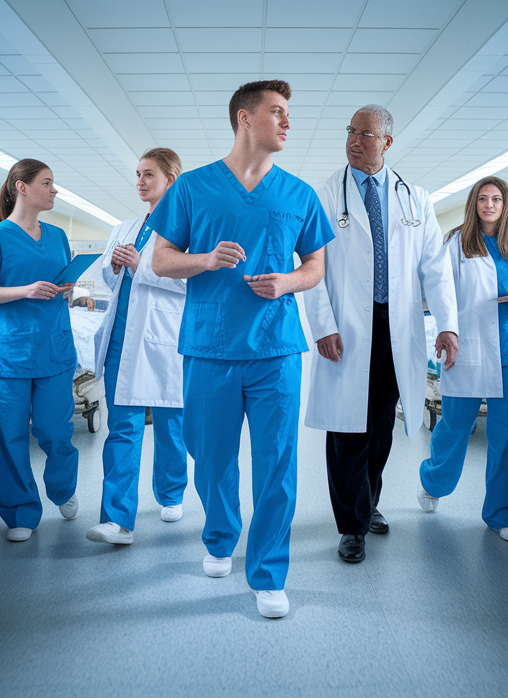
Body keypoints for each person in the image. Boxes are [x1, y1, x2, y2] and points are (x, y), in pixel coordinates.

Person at [150, 79, 333, 619]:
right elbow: (161, 260)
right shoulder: (192, 188)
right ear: (243, 118)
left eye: (288, 114)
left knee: (277, 463)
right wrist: (205, 260)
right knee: (209, 457)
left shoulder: (299, 194)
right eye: (277, 112)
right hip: (209, 346)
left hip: (276, 349)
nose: (287, 122)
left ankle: (270, 573)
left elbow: (316, 268)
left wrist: (287, 283)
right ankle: (220, 532)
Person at [304, 104, 458, 565]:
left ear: (386, 142)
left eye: (365, 133)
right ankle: (352, 526)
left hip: (398, 324)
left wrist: (447, 323)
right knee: (347, 427)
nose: (354, 139)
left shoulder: (415, 197)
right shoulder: (326, 195)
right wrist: (323, 325)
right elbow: (311, 267)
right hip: (348, 323)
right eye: (350, 130)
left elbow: (435, 267)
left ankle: (368, 501)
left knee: (382, 423)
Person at [417, 177, 508, 543]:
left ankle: (502, 514)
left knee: (506, 435)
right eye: (482, 198)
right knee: (455, 427)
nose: (489, 204)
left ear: (506, 204)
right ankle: (433, 481)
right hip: (470, 347)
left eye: (496, 199)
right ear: (474, 203)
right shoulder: (456, 243)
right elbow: (439, 291)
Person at [0, 159, 80, 541]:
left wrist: (62, 288)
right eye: (47, 183)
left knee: (55, 431)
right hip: (9, 351)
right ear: (21, 187)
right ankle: (20, 512)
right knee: (11, 434)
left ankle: (64, 488)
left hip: (53, 347)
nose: (54, 190)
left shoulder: (58, 236)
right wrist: (26, 290)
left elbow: (59, 284)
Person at [86, 148, 189, 546]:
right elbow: (107, 282)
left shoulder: (190, 229)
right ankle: (117, 520)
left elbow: (190, 283)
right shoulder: (124, 228)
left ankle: (172, 491)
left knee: (170, 427)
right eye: (138, 174)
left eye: (149, 174)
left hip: (165, 341)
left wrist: (140, 265)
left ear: (171, 180)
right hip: (121, 339)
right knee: (122, 428)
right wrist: (114, 268)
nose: (140, 182)